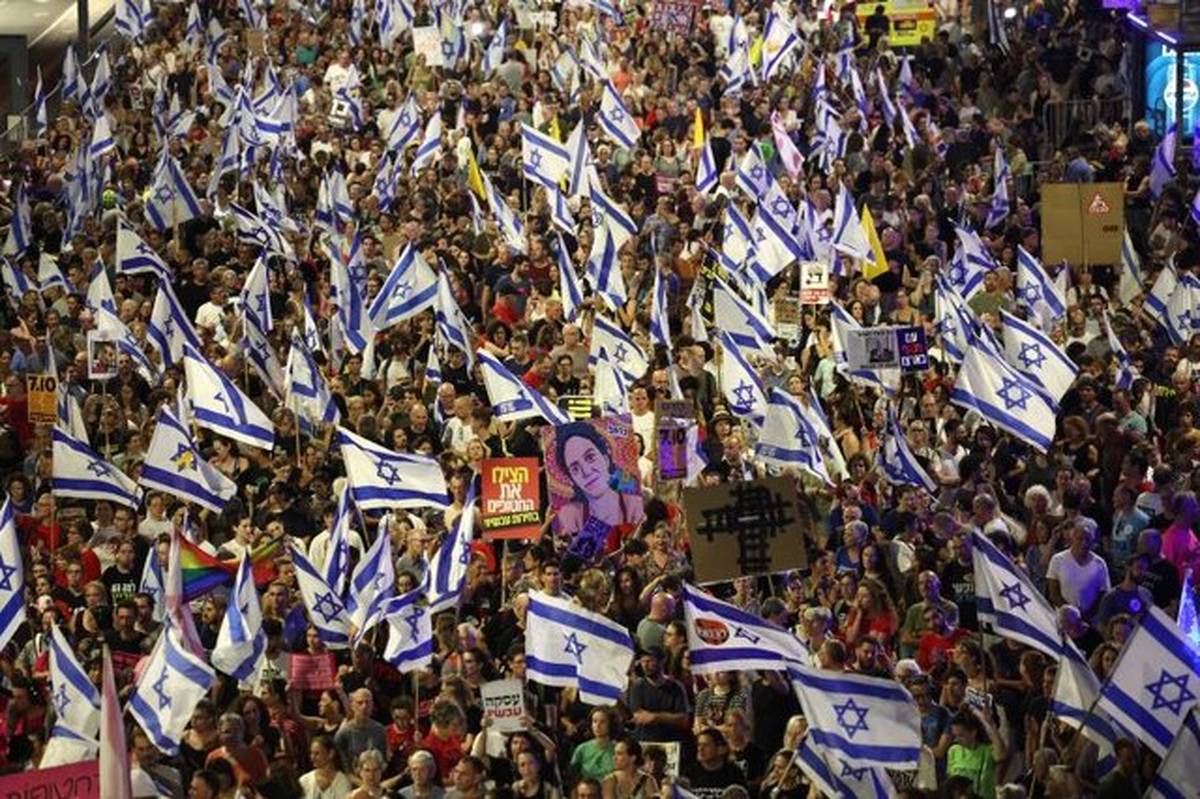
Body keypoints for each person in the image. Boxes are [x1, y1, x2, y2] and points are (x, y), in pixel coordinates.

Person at [552, 421, 646, 560]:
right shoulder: (572, 516)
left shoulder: (634, 504)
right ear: (572, 478)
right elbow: (583, 559)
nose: (586, 472)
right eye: (575, 468)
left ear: (606, 459)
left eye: (590, 458)